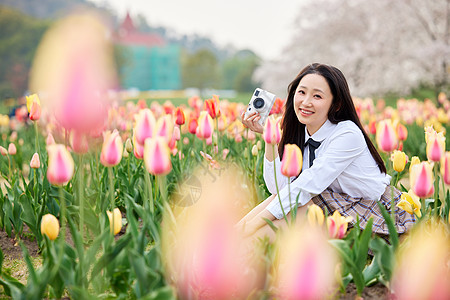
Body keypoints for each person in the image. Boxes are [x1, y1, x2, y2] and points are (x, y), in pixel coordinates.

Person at [238, 63, 415, 242]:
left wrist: (254, 224)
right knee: (295, 203)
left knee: (301, 207)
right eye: (302, 92)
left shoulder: (347, 134)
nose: (306, 102)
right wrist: (270, 139)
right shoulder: (302, 133)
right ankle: (235, 237)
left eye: (317, 96)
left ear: (336, 104)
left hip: (370, 214)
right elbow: (280, 189)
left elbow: (307, 186)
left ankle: (240, 245)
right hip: (332, 205)